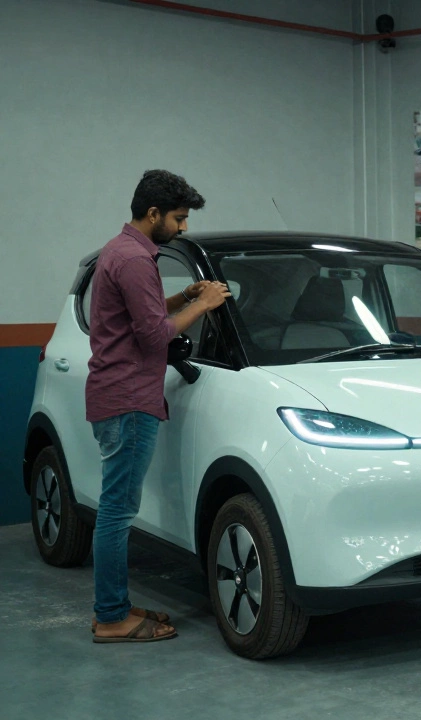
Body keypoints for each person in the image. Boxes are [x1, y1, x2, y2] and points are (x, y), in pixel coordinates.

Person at [87, 170, 231, 643]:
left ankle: (118, 606)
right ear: (154, 214)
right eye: (179, 218)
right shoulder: (133, 259)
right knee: (117, 511)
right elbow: (152, 334)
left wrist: (182, 296)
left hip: (119, 396)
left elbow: (140, 314)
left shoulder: (122, 250)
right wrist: (205, 303)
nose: (184, 228)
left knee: (116, 507)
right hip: (129, 399)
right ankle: (111, 617)